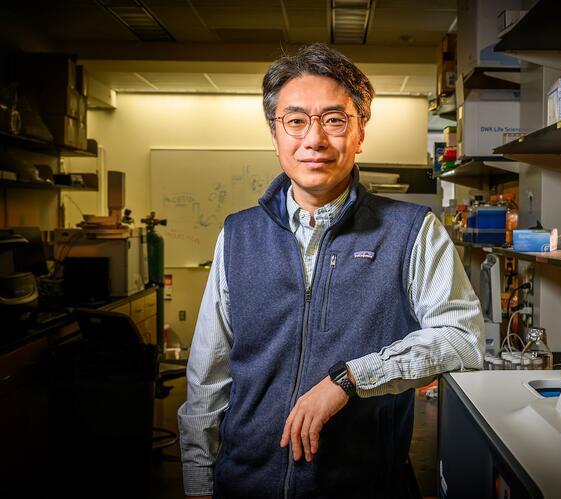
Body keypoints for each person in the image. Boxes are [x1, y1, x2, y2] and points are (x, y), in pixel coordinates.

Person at [178, 43, 484, 499]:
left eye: (335, 120)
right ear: (275, 133)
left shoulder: (411, 231)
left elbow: (462, 339)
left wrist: (352, 378)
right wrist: (200, 484)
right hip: (244, 483)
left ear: (360, 132)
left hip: (365, 486)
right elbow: (208, 377)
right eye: (295, 120)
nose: (314, 139)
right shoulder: (237, 235)